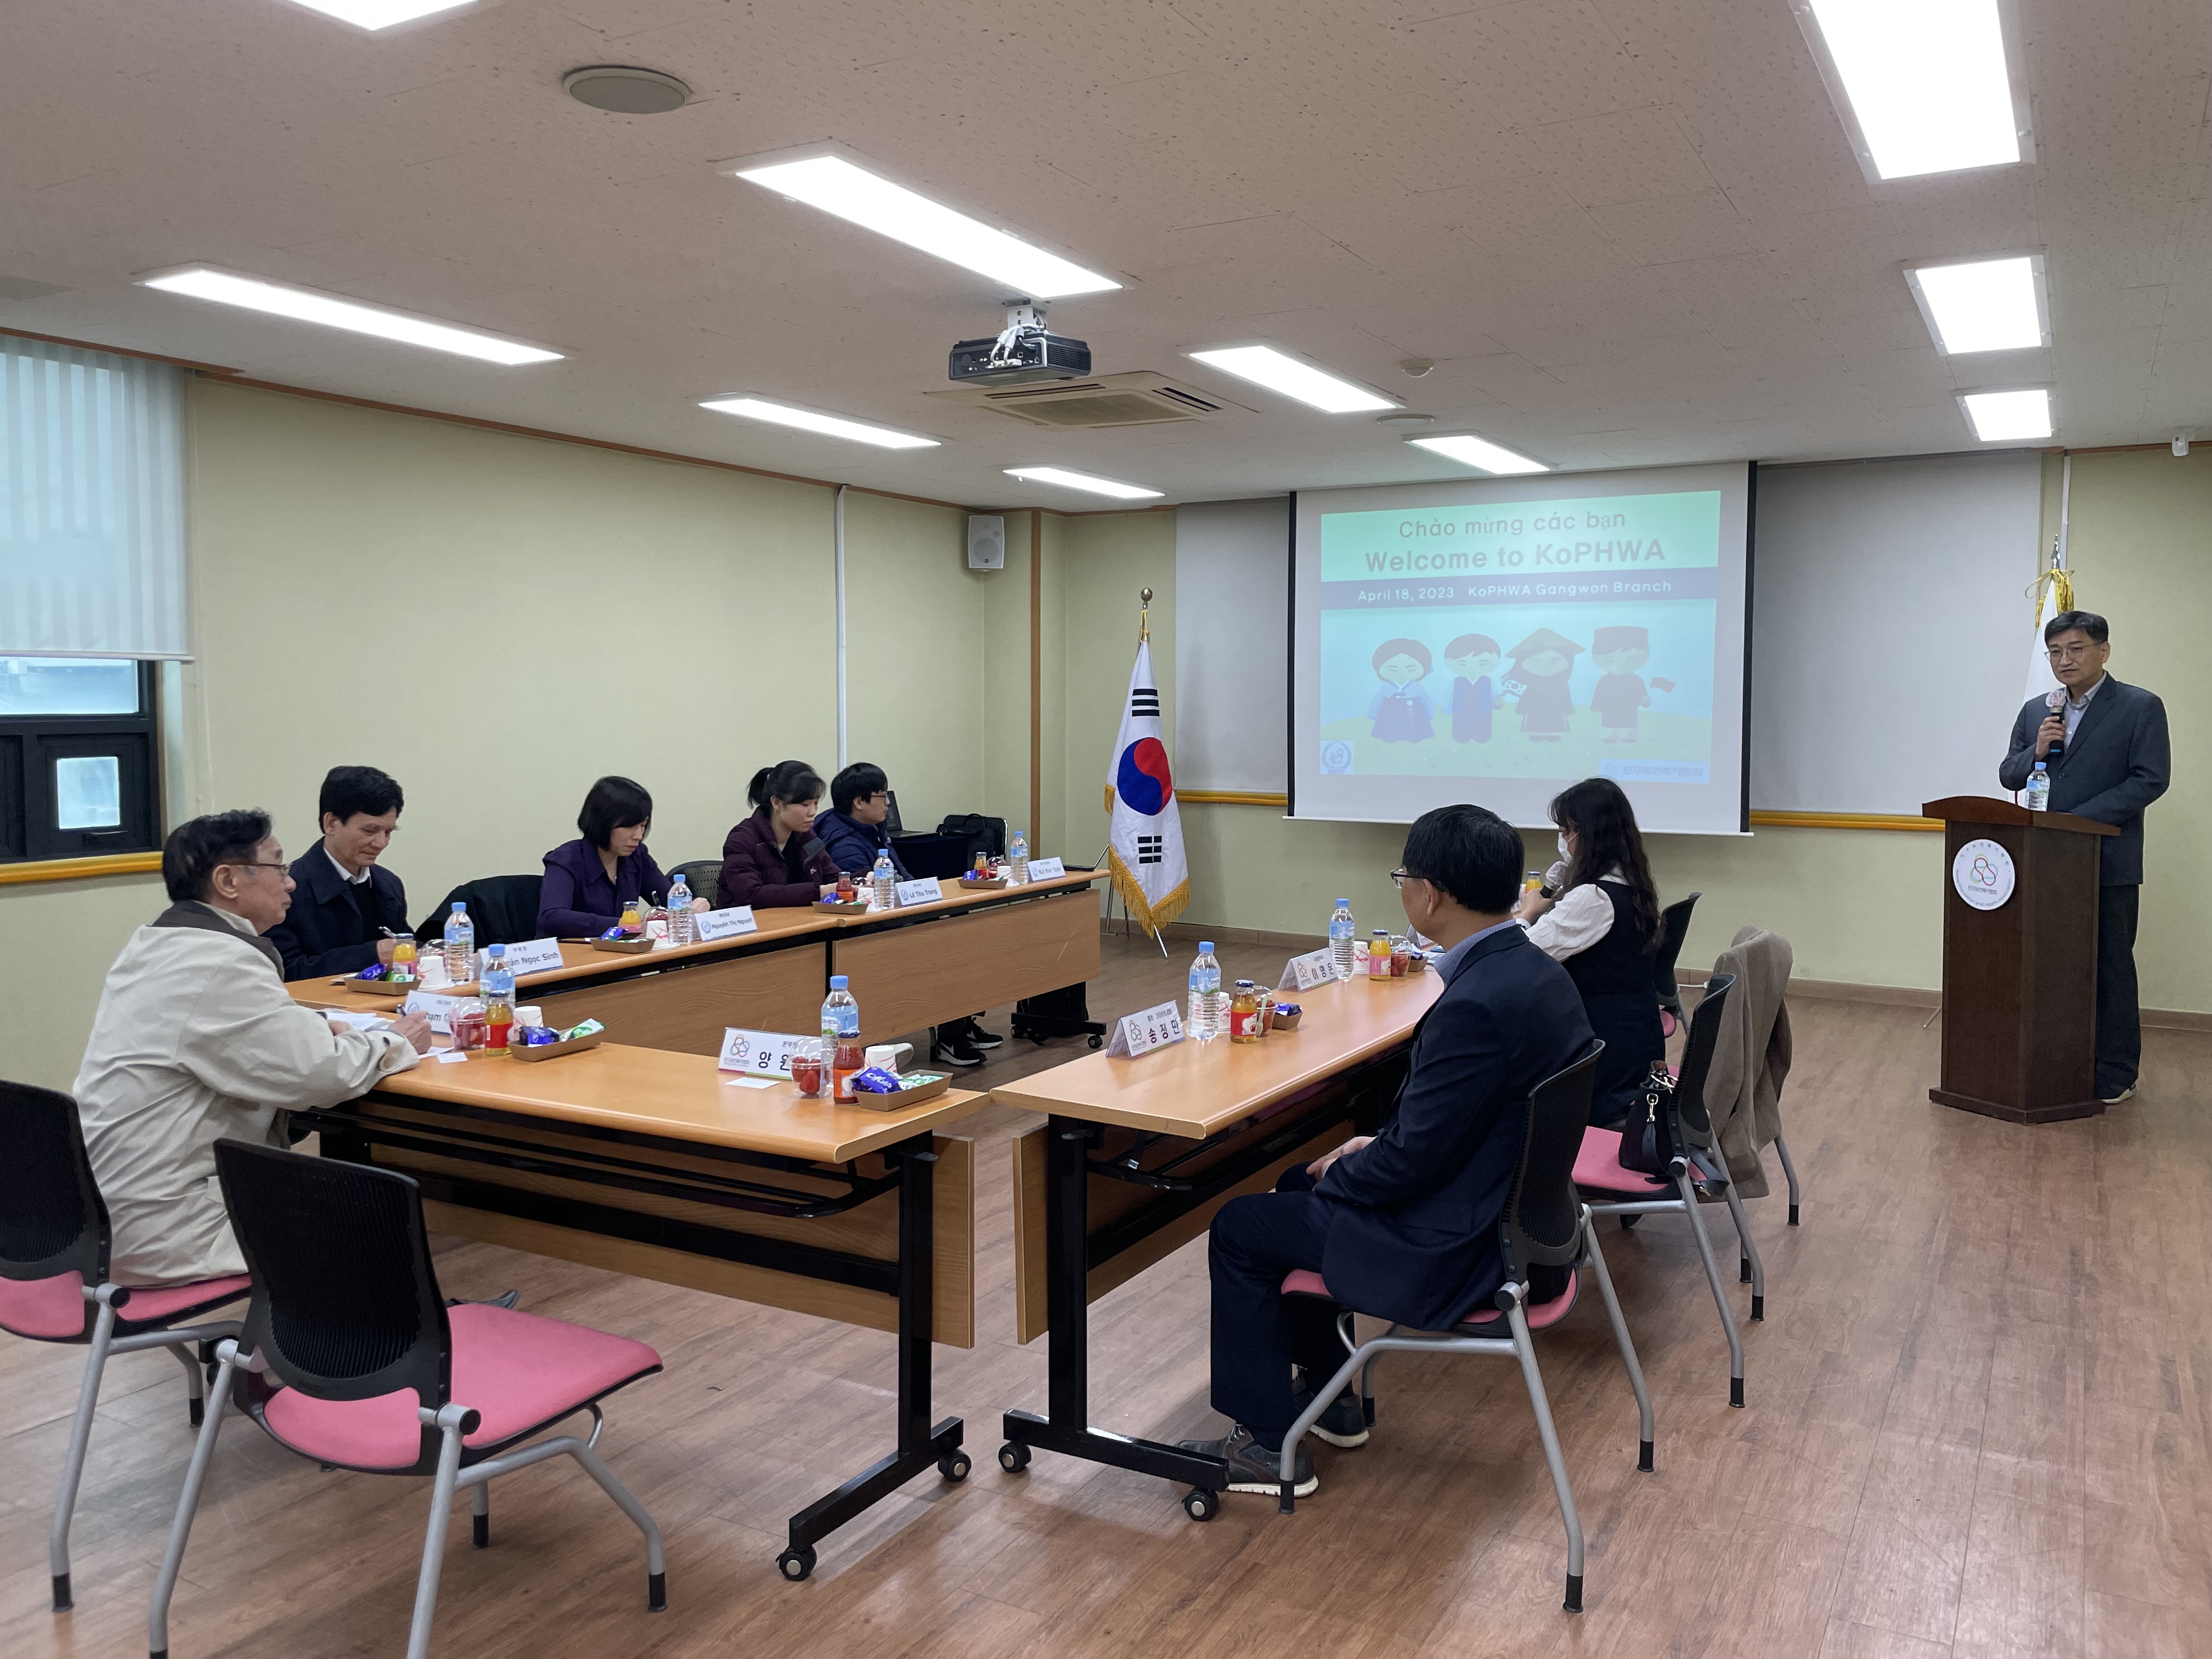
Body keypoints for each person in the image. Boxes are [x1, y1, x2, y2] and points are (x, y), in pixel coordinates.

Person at [1182, 804, 1593, 1497]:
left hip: (1453, 1246)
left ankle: (1262, 1442)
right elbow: (1452, 1128)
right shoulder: (1535, 973)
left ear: (1431, 894)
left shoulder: (1475, 1004)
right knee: (1294, 1181)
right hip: (1521, 1221)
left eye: (1405, 877)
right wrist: (1372, 1150)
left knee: (1239, 1227)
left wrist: (1354, 1163)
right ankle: (1330, 1398)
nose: (1402, 890)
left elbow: (1407, 1169)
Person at [72, 810, 432, 1286]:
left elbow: (238, 1031)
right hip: (171, 1226)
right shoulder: (221, 963)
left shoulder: (161, 946)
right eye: (278, 867)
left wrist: (319, 1024)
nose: (291, 884)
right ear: (228, 881)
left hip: (99, 1218)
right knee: (370, 1202)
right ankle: (383, 1350)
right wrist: (393, 1041)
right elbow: (319, 1077)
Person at [1998, 610, 2170, 1104]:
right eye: (2055, 652)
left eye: (2076, 649)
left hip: (2106, 861)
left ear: (2104, 651)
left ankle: (2117, 1072)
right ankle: (2056, 1057)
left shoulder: (2140, 707)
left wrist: (2079, 822)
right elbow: (2009, 775)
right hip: (2044, 863)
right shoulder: (2038, 710)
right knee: (2050, 964)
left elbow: (2149, 779)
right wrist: (2037, 749)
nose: (2064, 660)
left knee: (2110, 966)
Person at [816, 761, 1003, 1069]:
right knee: (953, 941)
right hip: (874, 935)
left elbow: (901, 879)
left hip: (899, 919)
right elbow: (870, 897)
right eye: (881, 796)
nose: (888, 802)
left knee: (967, 926)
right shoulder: (844, 842)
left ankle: (961, 1019)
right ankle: (950, 1033)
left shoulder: (872, 831)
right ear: (858, 803)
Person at [1514, 777, 1664, 1129]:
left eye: (1567, 831)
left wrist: (1525, 915)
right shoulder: (1628, 880)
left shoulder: (1595, 898)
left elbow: (1522, 955)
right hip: (1631, 1044)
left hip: (1603, 1063)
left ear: (1591, 834)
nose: (1563, 841)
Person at [266, 765, 410, 980]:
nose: (381, 843)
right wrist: (371, 955)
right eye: (370, 831)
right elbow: (285, 971)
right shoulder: (288, 889)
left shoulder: (388, 884)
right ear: (331, 823)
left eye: (388, 832)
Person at [538, 775, 678, 937]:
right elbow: (551, 918)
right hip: (573, 956)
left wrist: (694, 906)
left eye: (643, 825)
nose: (639, 835)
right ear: (603, 823)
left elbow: (669, 899)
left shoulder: (637, 856)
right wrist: (618, 925)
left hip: (619, 953)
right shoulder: (566, 860)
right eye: (629, 826)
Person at [716, 760, 843, 910]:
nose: (813, 812)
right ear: (777, 803)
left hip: (800, 924)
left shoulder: (806, 837)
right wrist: (818, 892)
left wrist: (861, 880)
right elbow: (751, 895)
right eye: (805, 805)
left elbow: (834, 878)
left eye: (816, 803)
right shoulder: (742, 839)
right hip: (751, 927)